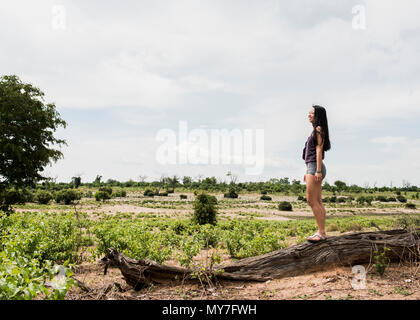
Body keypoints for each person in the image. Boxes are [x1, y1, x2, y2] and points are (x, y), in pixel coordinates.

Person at [302, 105, 331, 243]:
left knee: (312, 201)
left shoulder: (318, 130)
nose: (309, 115)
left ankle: (321, 233)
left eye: (311, 113)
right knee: (318, 201)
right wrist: (308, 171)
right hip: (312, 167)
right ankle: (321, 231)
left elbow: (319, 150)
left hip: (315, 167)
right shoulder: (316, 130)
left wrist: (317, 171)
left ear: (318, 115)